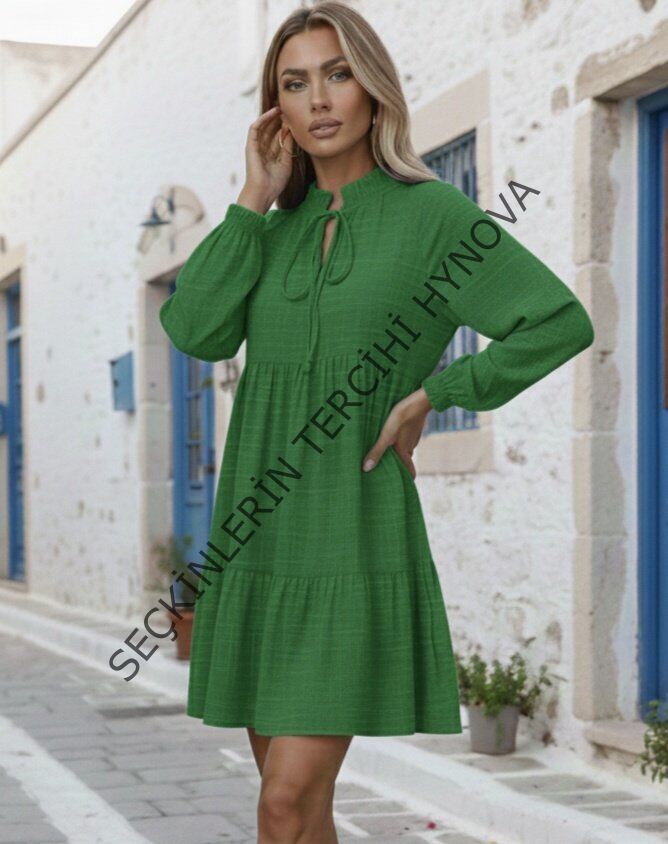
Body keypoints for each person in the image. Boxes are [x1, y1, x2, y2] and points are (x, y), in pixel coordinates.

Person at [158, 3, 595, 842]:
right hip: (258, 533)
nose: (319, 99)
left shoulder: (433, 217)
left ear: (373, 88)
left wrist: (437, 392)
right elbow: (196, 329)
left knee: (284, 801)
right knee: (298, 807)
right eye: (295, 83)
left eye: (338, 74)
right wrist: (252, 197)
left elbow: (556, 321)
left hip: (352, 532)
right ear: (276, 110)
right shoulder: (267, 233)